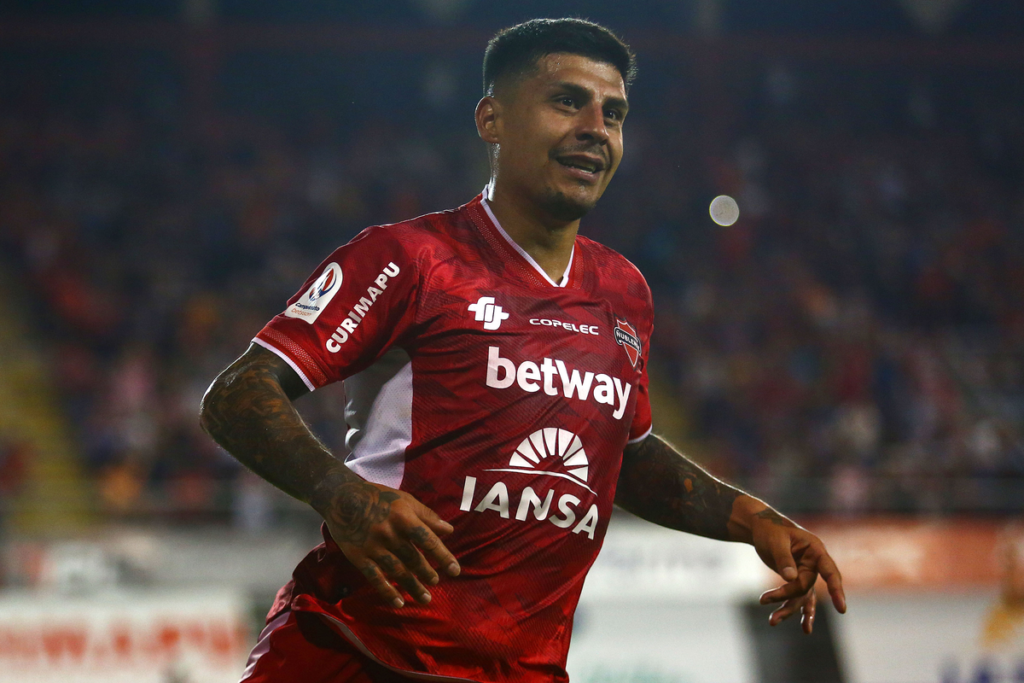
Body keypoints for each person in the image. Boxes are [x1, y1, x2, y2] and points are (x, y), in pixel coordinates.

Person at [200, 17, 846, 683]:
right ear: (492, 120)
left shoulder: (624, 293)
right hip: (356, 650)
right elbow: (237, 395)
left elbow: (618, 453)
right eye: (567, 101)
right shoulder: (408, 259)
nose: (596, 126)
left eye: (614, 112)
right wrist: (343, 494)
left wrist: (753, 518)